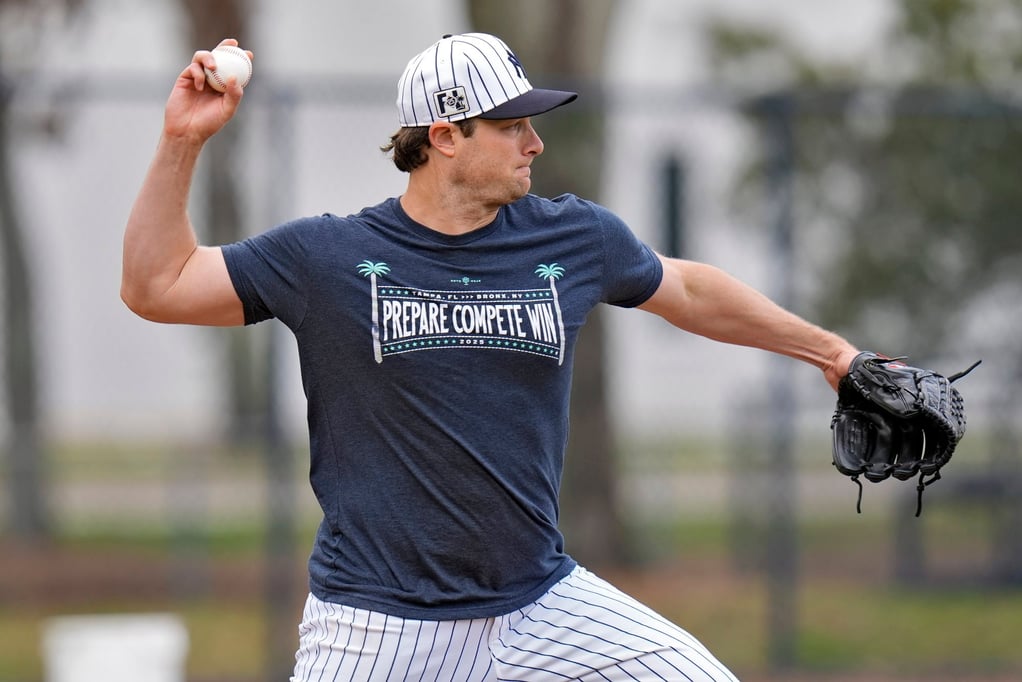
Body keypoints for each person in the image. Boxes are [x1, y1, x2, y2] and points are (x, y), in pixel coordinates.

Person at [122, 33, 859, 682]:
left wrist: (836, 356)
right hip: (380, 628)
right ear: (445, 137)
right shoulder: (327, 258)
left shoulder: (572, 239)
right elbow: (158, 285)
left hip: (541, 607)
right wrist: (183, 138)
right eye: (510, 125)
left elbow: (691, 290)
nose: (533, 142)